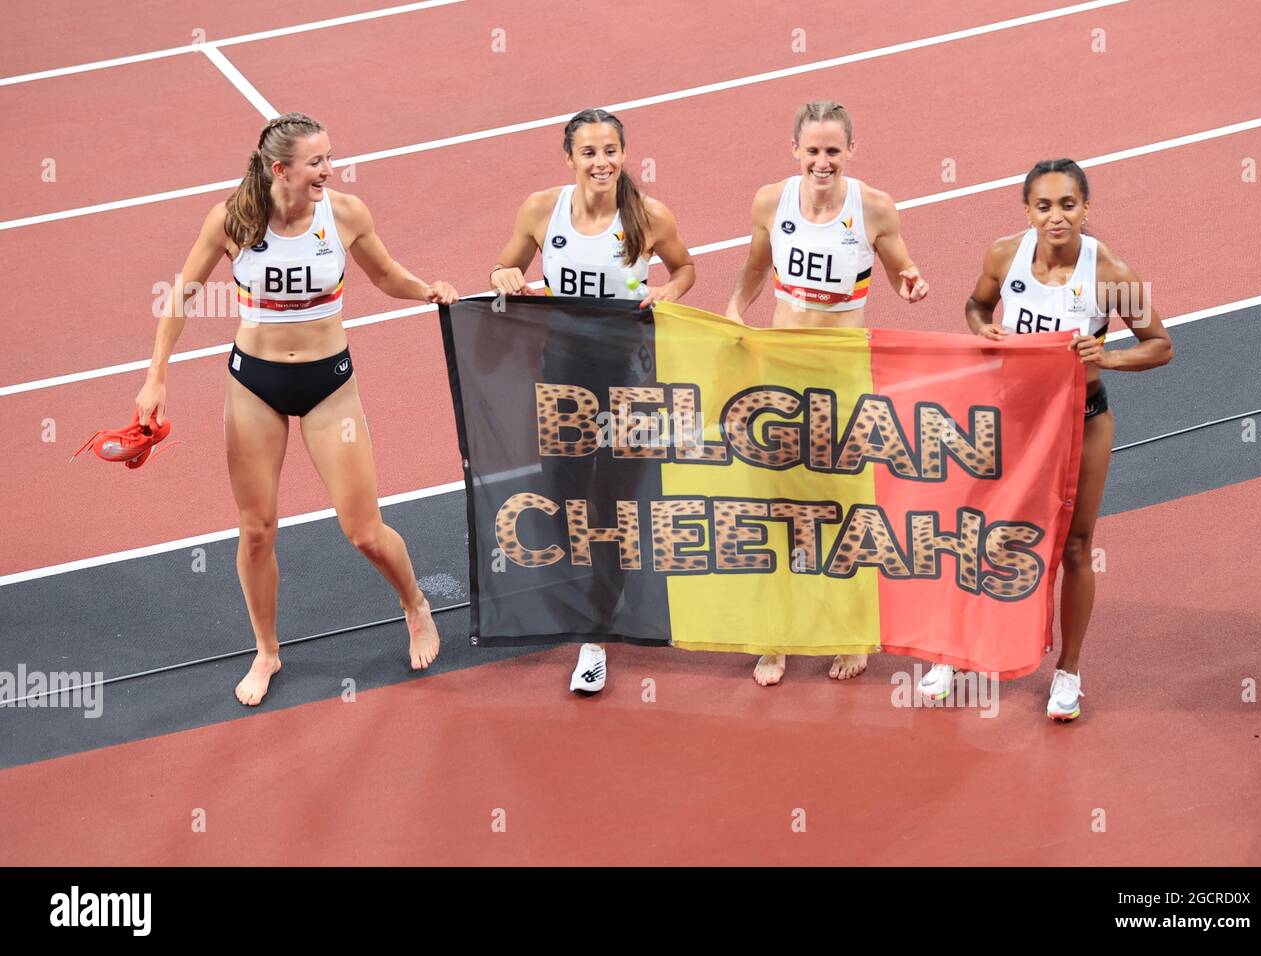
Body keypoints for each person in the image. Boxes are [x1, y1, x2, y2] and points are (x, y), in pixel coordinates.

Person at [135, 112, 458, 706]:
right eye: (317, 162)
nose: (329, 170)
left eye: (329, 157)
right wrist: (155, 378)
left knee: (362, 531)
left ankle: (415, 605)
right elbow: (180, 297)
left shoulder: (346, 214)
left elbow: (385, 275)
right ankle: (267, 651)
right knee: (256, 530)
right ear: (280, 169)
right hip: (254, 384)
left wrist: (426, 288)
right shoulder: (233, 218)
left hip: (328, 385)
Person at [917, 158, 1172, 720]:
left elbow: (1159, 345)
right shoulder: (1004, 255)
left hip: (1082, 421)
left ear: (1086, 208)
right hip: (1011, 422)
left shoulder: (1109, 273)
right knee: (976, 536)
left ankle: (1068, 672)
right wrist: (981, 327)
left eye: (1067, 205)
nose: (1056, 216)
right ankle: (953, 653)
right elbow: (977, 304)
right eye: (1043, 206)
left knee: (1077, 547)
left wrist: (1106, 356)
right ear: (1027, 210)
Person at [489, 108, 696, 694]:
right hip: (564, 379)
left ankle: (595, 637)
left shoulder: (649, 216)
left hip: (629, 379)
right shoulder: (540, 210)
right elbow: (507, 263)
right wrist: (503, 276)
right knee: (564, 494)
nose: (601, 162)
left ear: (624, 154)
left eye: (610, 151)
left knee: (610, 508)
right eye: (589, 152)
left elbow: (686, 268)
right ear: (570, 158)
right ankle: (588, 597)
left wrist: (667, 289)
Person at [724, 100, 929, 686]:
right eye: (812, 150)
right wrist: (737, 308)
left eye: (833, 151)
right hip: (782, 374)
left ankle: (849, 630)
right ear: (795, 150)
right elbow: (756, 266)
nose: (822, 161)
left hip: (841, 380)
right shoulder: (772, 201)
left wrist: (909, 281)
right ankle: (777, 638)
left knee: (842, 510)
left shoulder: (874, 208)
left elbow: (900, 269)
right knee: (778, 508)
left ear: (850, 152)